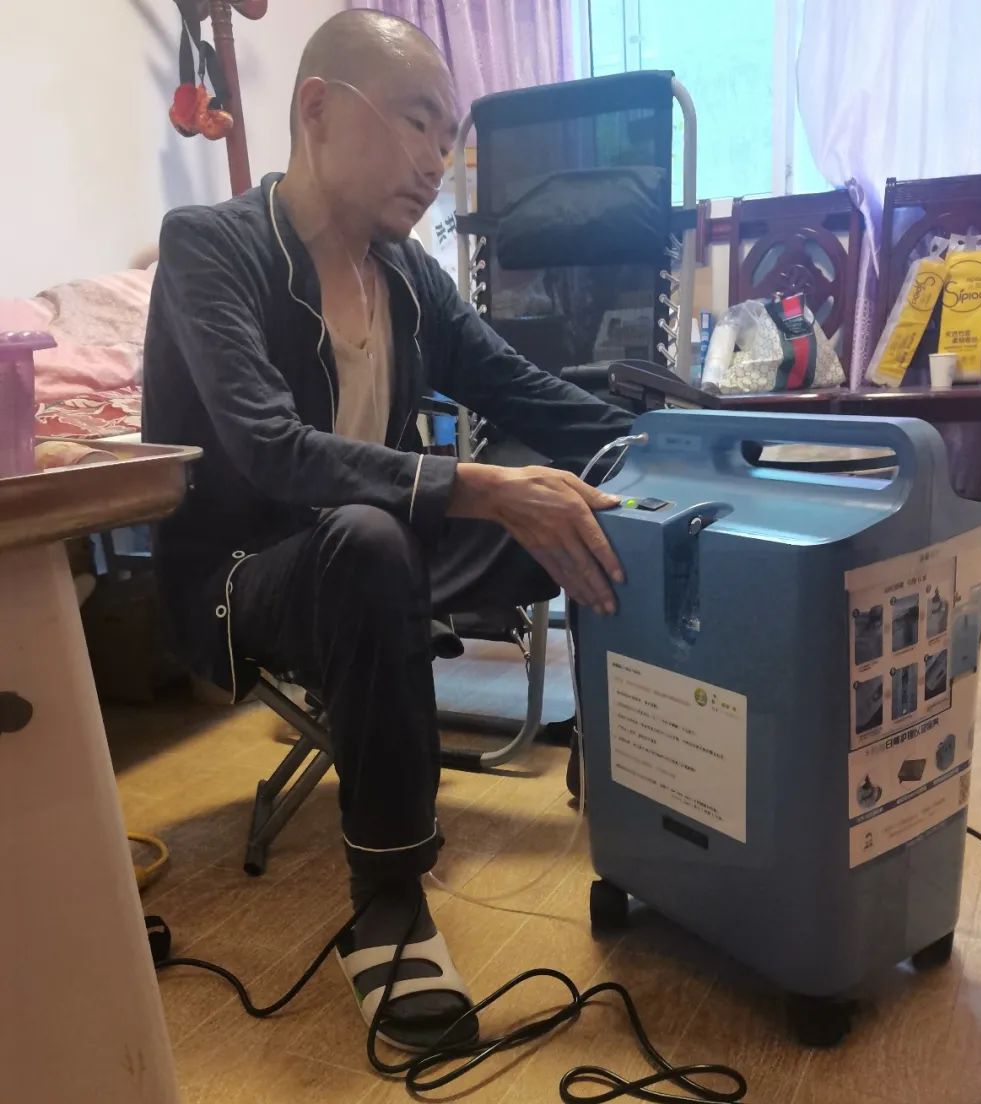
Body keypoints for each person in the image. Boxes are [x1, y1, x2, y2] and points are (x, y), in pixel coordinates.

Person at [143, 9, 633, 1051]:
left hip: (380, 548)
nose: (436, 160)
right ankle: (391, 901)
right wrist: (484, 487)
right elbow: (270, 448)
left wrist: (680, 442)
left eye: (448, 138)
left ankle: (646, 791)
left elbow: (521, 387)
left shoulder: (408, 275)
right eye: (418, 122)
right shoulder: (208, 247)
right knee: (376, 538)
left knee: (591, 497)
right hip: (247, 575)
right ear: (318, 109)